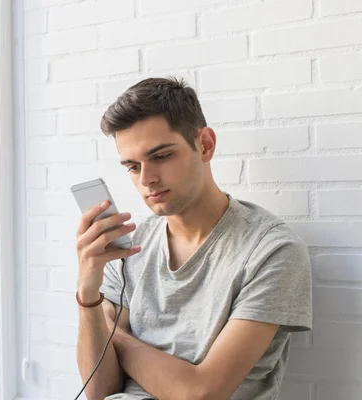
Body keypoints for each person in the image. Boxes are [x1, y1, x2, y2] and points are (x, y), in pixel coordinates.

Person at [75, 77, 312, 400]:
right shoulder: (129, 248)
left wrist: (119, 337)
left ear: (205, 145)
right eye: (133, 166)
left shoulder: (272, 251)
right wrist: (89, 296)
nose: (147, 180)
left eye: (161, 156)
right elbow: (99, 391)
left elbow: (201, 394)